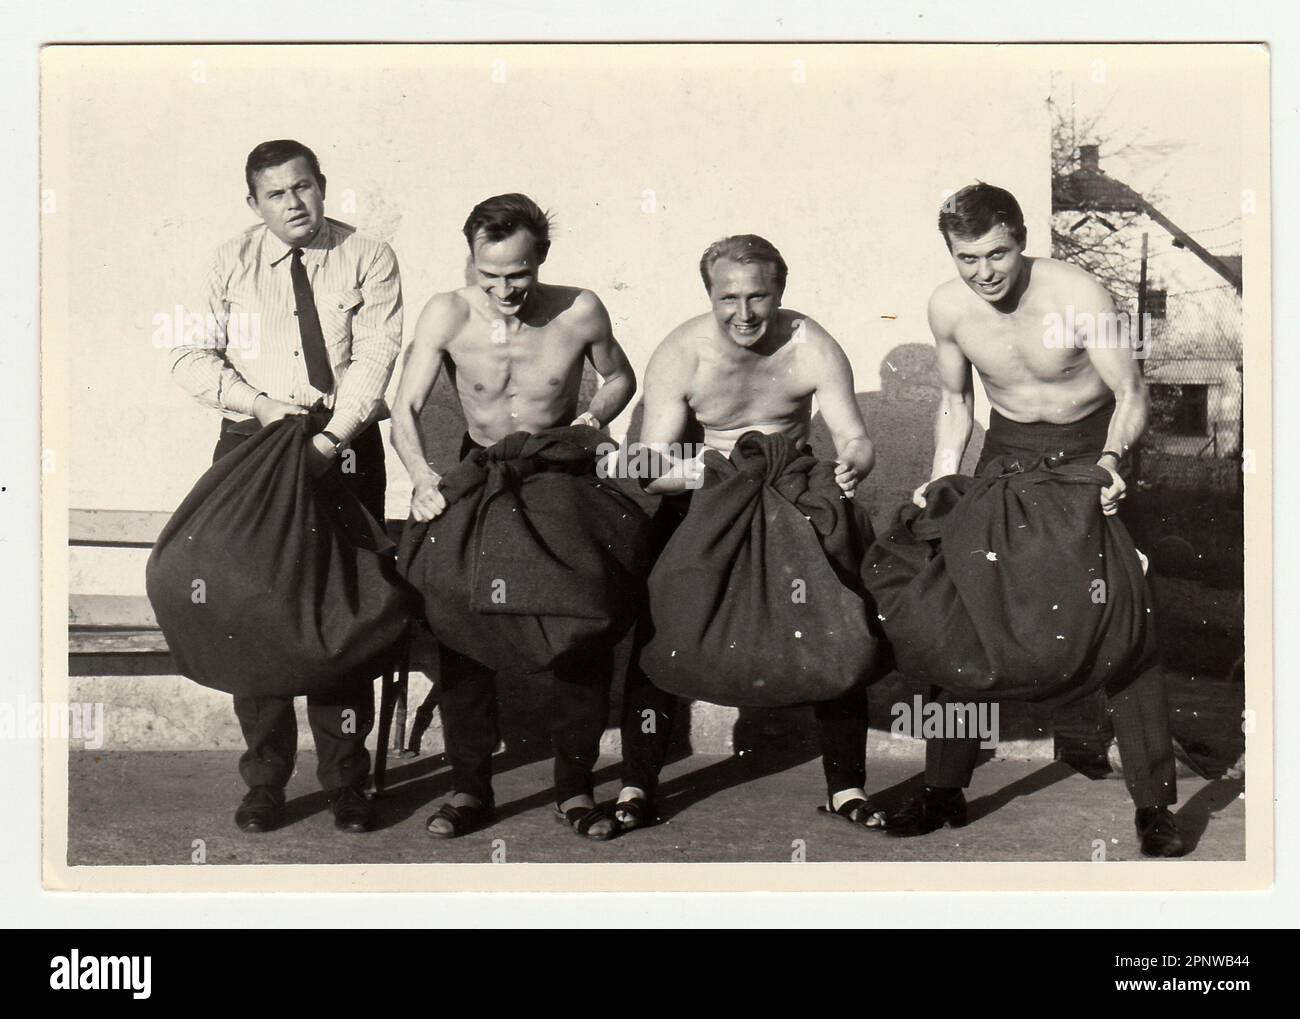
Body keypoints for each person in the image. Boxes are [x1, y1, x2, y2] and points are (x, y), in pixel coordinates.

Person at [889, 182, 1187, 857]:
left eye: (997, 253)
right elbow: (956, 402)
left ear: (1021, 239)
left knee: (1124, 619)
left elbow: (1129, 393)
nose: (984, 272)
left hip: (1089, 450)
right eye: (968, 258)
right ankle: (943, 786)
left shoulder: (1077, 296)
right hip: (1007, 454)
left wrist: (1112, 462)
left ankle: (1153, 804)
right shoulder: (948, 307)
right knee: (964, 611)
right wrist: (941, 475)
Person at [613, 234, 885, 833]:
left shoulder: (811, 344)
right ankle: (636, 785)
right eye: (727, 298)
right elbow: (648, 468)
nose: (743, 314)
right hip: (705, 497)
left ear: (779, 291)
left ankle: (847, 787)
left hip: (791, 495)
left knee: (835, 623)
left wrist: (853, 463)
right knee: (661, 629)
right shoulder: (682, 352)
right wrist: (716, 472)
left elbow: (856, 439)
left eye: (758, 296)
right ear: (709, 295)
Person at [170, 139, 404, 834]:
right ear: (254, 204)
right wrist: (261, 405)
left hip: (346, 443)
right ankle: (266, 780)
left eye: (303, 188)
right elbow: (188, 353)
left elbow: (377, 354)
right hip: (255, 442)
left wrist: (331, 441)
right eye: (276, 194)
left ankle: (346, 783)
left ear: (323, 187)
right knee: (253, 611)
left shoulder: (369, 256)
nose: (293, 203)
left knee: (341, 612)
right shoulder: (228, 261)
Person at [390, 193, 637, 841]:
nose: (503, 289)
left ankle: (575, 786)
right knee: (460, 622)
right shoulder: (447, 311)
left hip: (559, 471)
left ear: (542, 258)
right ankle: (469, 785)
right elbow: (405, 405)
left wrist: (593, 417)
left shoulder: (579, 308)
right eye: (488, 273)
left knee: (580, 625)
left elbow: (620, 376)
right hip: (482, 472)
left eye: (518, 273)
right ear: (470, 260)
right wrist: (420, 476)